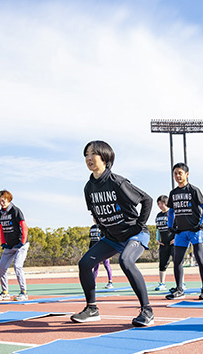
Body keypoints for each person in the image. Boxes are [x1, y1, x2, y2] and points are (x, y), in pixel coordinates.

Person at [72, 140, 154, 326]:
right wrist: (103, 225)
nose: (89, 158)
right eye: (86, 154)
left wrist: (139, 225)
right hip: (112, 237)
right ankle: (92, 309)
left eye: (93, 154)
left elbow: (147, 200)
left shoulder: (117, 182)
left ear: (105, 158)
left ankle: (147, 311)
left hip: (135, 234)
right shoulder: (88, 188)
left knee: (126, 261)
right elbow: (94, 213)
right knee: (85, 264)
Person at [165, 163, 203, 301]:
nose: (178, 176)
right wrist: (170, 225)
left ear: (187, 174)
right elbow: (171, 211)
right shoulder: (173, 193)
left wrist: (201, 224)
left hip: (195, 231)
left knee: (199, 257)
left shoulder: (194, 190)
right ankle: (179, 289)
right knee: (177, 260)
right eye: (175, 174)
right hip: (180, 232)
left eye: (180, 173)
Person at [0, 190, 30, 301]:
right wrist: (3, 242)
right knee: (1, 267)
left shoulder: (15, 211)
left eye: (3, 200)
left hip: (20, 245)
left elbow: (24, 227)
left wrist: (22, 242)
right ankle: (5, 292)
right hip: (10, 245)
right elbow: (1, 229)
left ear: (8, 199)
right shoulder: (0, 213)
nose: (1, 203)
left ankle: (24, 293)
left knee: (17, 266)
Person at [154, 195, 174, 291]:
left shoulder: (171, 213)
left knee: (177, 263)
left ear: (166, 203)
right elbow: (158, 228)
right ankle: (162, 283)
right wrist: (158, 239)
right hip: (163, 244)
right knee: (162, 264)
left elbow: (178, 226)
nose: (160, 205)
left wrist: (176, 238)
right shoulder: (158, 215)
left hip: (173, 243)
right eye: (158, 204)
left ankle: (181, 283)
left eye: (161, 203)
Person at [89, 222, 114, 289]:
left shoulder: (103, 226)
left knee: (106, 265)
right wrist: (90, 250)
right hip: (95, 250)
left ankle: (110, 282)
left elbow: (106, 238)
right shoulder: (92, 227)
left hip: (103, 250)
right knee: (95, 267)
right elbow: (92, 240)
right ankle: (93, 283)